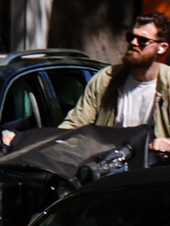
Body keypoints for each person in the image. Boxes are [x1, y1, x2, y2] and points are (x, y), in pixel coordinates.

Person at [61, 12, 170, 159]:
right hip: (109, 169)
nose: (133, 43)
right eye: (131, 37)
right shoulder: (106, 79)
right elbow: (75, 125)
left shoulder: (167, 83)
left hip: (153, 173)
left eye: (143, 40)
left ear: (161, 48)